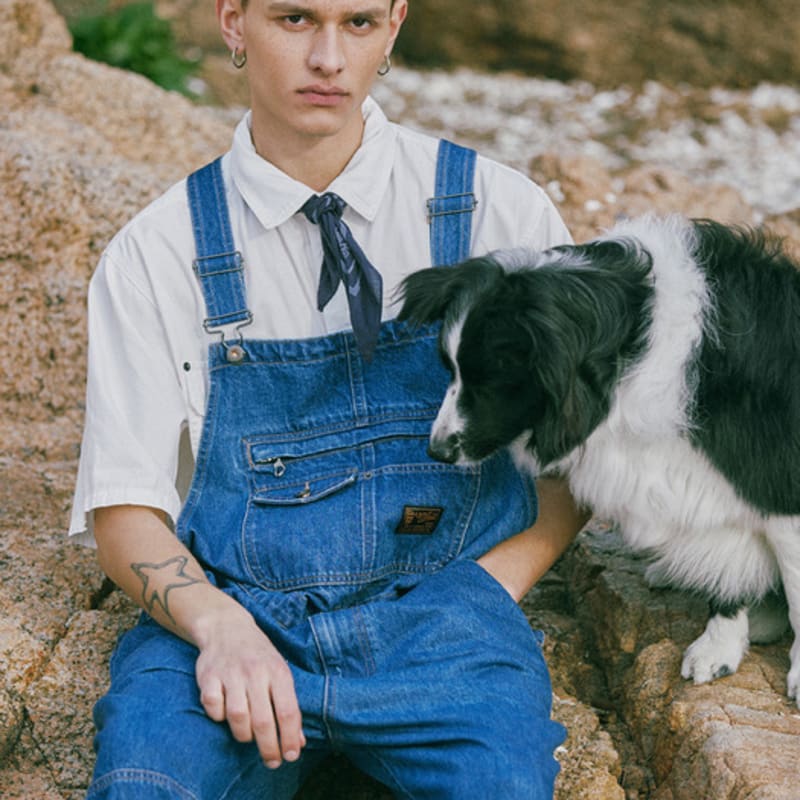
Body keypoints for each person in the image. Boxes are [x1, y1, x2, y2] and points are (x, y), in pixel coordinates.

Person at [69, 0, 589, 797]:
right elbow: (124, 510)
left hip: (447, 628)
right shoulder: (157, 252)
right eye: (294, 19)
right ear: (233, 22)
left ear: (395, 25)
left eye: (358, 23)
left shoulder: (501, 214)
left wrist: (489, 590)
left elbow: (576, 460)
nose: (328, 58)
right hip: (236, 617)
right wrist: (218, 626)